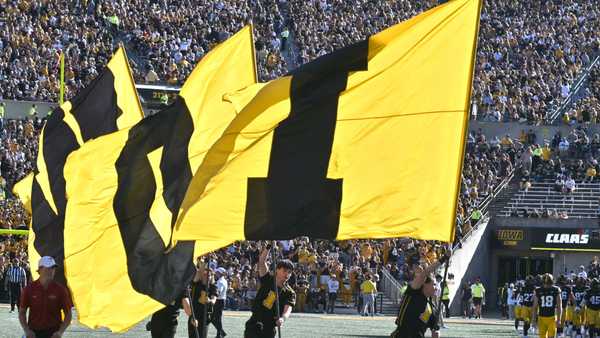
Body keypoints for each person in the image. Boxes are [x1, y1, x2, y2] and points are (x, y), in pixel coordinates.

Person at [391, 248, 451, 338]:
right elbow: (425, 273)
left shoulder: (431, 308)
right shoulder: (414, 292)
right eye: (434, 284)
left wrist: (436, 333)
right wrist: (444, 257)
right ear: (424, 284)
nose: (436, 288)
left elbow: (435, 328)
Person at [245, 246, 296, 338]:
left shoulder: (289, 292)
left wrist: (283, 319)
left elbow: (288, 308)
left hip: (269, 327)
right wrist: (269, 247)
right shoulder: (267, 279)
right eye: (284, 271)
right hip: (255, 323)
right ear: (277, 270)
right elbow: (262, 262)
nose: (287, 274)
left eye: (289, 272)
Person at [18, 256, 72, 338]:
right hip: (34, 333)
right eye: (48, 268)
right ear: (39, 270)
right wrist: (27, 330)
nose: (51, 271)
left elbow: (68, 314)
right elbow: (22, 312)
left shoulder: (61, 290)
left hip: (53, 333)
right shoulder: (28, 289)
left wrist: (60, 332)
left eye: (53, 268)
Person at [185, 261, 217, 338]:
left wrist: (210, 301)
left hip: (205, 317)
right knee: (193, 336)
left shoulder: (213, 287)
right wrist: (205, 262)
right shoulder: (196, 283)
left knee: (202, 336)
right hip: (194, 315)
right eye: (206, 273)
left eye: (210, 274)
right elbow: (199, 272)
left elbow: (214, 298)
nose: (207, 275)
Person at [532, 273, 562, 338]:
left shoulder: (556, 290)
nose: (547, 285)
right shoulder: (538, 290)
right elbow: (535, 307)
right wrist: (534, 320)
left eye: (548, 283)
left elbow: (559, 305)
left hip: (552, 317)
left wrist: (559, 319)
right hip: (541, 317)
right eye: (546, 283)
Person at [213, 267, 228, 338]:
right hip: (220, 301)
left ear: (220, 274)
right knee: (216, 318)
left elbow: (218, 292)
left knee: (216, 318)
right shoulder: (223, 280)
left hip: (219, 301)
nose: (215, 274)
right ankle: (220, 332)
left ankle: (220, 334)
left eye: (217, 273)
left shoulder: (220, 282)